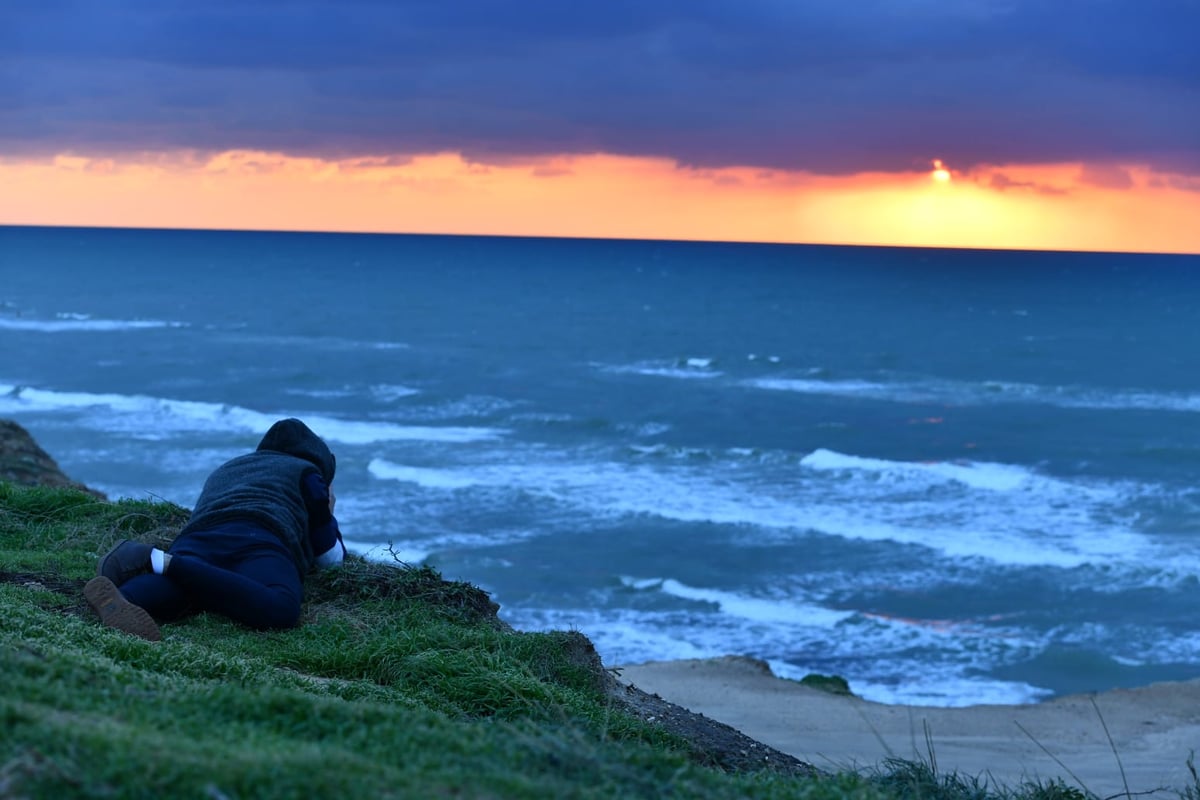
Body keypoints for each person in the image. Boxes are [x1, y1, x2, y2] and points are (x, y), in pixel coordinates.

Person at [84, 418, 346, 641]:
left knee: (191, 588)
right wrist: (327, 511)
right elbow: (330, 559)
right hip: (261, 539)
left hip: (199, 538)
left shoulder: (231, 467)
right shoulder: (308, 473)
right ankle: (160, 561)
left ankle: (128, 594)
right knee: (281, 608)